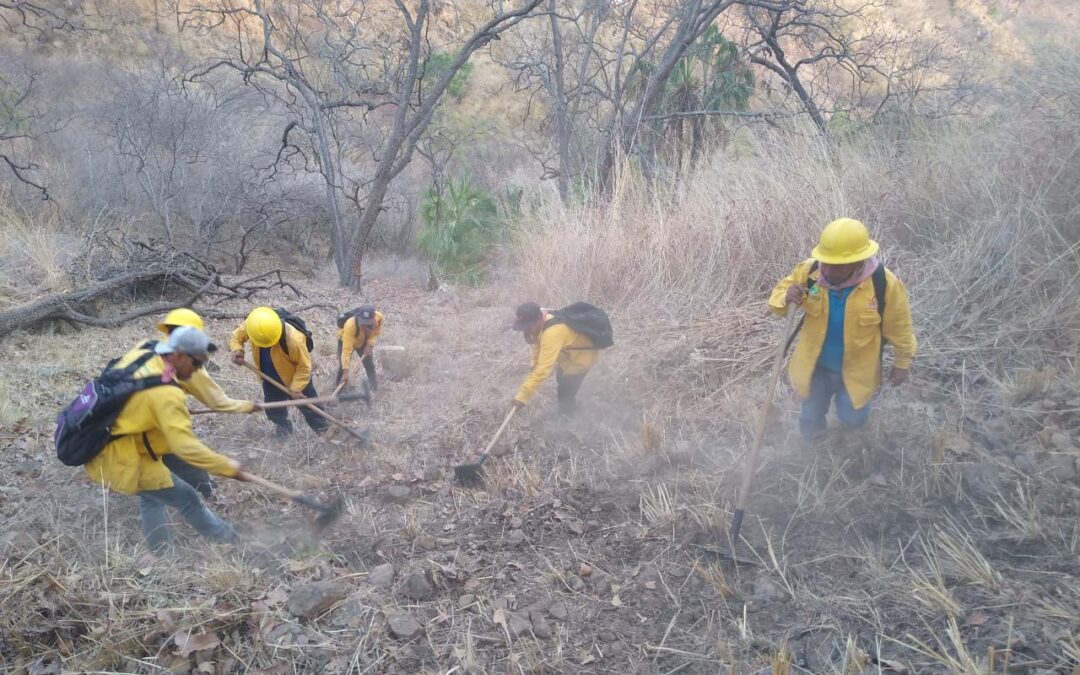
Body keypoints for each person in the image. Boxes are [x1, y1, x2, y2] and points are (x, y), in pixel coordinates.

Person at [83, 327, 243, 553]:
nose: (199, 369)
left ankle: (163, 549)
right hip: (120, 454)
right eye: (197, 363)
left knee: (161, 490)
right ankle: (225, 540)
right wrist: (231, 468)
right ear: (178, 355)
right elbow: (186, 446)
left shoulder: (148, 350)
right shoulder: (165, 392)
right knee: (183, 497)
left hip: (134, 442)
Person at [769, 218, 917, 445]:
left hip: (857, 370)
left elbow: (900, 326)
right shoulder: (811, 272)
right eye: (825, 261)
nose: (826, 269)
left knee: (853, 417)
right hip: (815, 367)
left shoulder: (884, 284)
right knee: (811, 415)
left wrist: (902, 362)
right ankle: (813, 450)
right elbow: (777, 298)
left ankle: (849, 440)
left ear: (858, 261)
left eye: (836, 265)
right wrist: (786, 297)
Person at [154, 308, 260, 498]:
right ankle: (210, 493)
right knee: (176, 474)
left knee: (152, 494)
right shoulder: (184, 366)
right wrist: (229, 468)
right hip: (148, 438)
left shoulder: (153, 350)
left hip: (122, 439)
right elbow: (218, 402)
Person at [230, 306, 328, 436]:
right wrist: (237, 350)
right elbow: (237, 336)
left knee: (312, 410)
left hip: (295, 377)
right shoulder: (255, 324)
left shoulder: (294, 338)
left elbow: (304, 367)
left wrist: (296, 388)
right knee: (274, 410)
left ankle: (325, 432)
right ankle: (283, 431)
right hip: (268, 376)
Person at [511, 302, 598, 416]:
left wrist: (522, 398)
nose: (526, 330)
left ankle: (566, 418)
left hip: (581, 358)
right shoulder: (542, 316)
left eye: (527, 326)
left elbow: (543, 370)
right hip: (567, 354)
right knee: (560, 377)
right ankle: (567, 403)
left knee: (566, 391)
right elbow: (537, 345)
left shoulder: (552, 333)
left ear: (538, 320)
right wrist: (534, 366)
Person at [336, 305, 383, 391]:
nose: (365, 326)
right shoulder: (350, 325)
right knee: (342, 367)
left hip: (364, 341)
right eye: (363, 323)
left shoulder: (378, 317)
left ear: (373, 318)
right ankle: (340, 391)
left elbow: (377, 332)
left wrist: (370, 344)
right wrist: (346, 372)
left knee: (370, 365)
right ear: (358, 317)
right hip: (347, 340)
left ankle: (373, 389)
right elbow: (346, 352)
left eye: (368, 323)